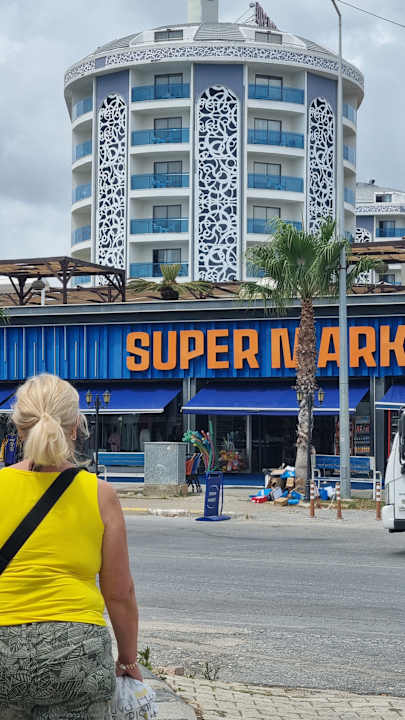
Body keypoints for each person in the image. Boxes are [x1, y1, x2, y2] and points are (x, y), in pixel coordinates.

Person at [0, 373, 142, 719]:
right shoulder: (101, 495)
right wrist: (127, 660)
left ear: (19, 429)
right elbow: (120, 593)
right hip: (78, 655)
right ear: (75, 428)